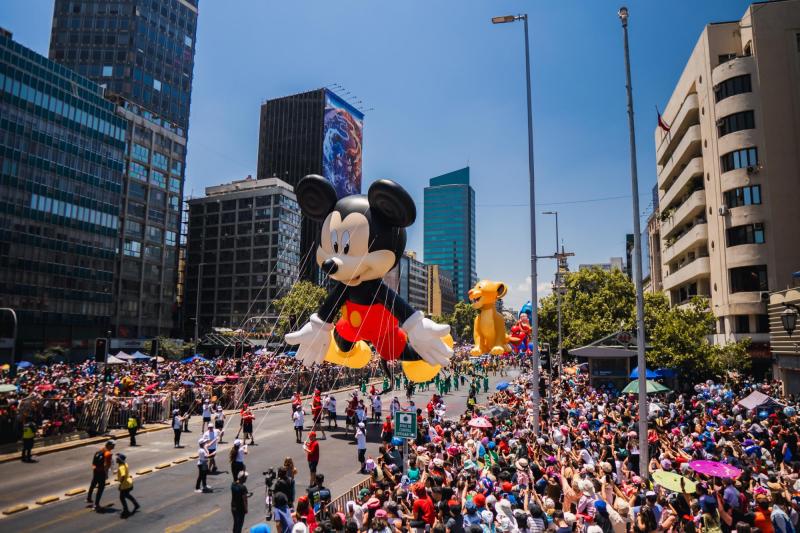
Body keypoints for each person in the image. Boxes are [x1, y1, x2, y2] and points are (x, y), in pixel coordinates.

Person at [87, 440, 115, 511]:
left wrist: (95, 468)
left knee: (93, 483)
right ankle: (96, 504)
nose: (114, 446)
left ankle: (88, 498)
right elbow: (107, 466)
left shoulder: (100, 450)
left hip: (96, 469)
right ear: (109, 445)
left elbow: (94, 461)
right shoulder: (108, 454)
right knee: (100, 488)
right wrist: (106, 474)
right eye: (113, 445)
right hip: (101, 472)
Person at [115, 452, 140, 518]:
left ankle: (126, 510)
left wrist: (120, 484)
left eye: (117, 458)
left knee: (122, 497)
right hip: (129, 483)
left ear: (120, 460)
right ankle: (136, 504)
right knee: (127, 495)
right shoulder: (125, 464)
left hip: (125, 484)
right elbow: (123, 470)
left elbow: (123, 475)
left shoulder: (121, 467)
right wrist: (117, 471)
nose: (116, 459)